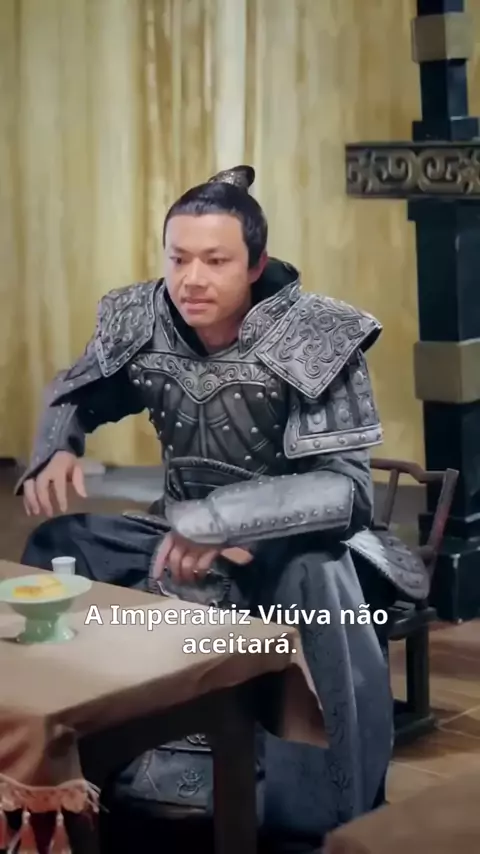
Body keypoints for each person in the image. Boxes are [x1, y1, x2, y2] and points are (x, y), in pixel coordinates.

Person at [17, 165, 428, 847]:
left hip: (294, 547)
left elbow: (347, 492)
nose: (192, 279)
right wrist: (59, 443)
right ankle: (62, 769)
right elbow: (76, 389)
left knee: (321, 580)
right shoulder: (144, 319)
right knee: (64, 545)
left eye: (215, 260)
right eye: (178, 258)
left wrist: (222, 522)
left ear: (256, 264)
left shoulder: (315, 335)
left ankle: (325, 814)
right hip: (176, 529)